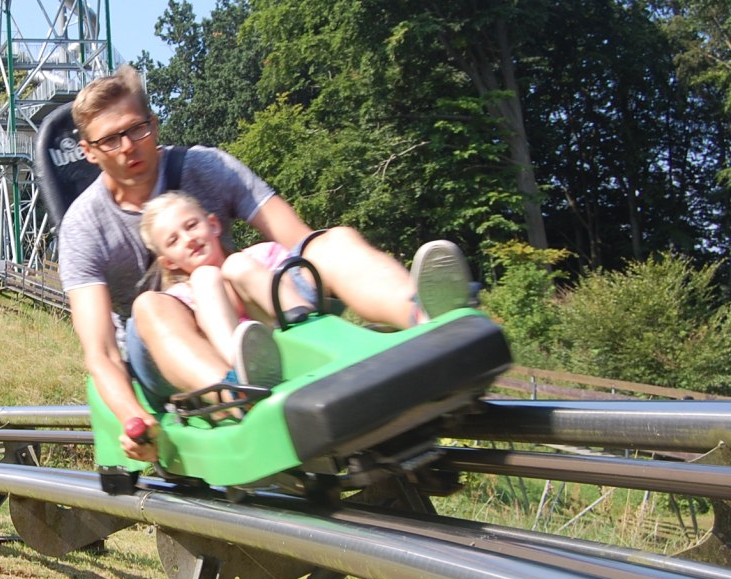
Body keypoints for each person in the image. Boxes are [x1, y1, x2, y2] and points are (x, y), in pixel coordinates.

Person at [57, 65, 472, 463]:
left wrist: (316, 261)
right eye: (111, 140)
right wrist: (134, 420)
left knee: (332, 240)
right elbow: (102, 352)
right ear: (89, 152)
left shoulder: (204, 166)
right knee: (150, 306)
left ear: (154, 123)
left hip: (257, 316)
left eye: (136, 129)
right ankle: (236, 394)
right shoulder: (84, 226)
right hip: (171, 348)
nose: (128, 146)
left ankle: (425, 316)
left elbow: (299, 239)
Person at [137, 190, 304, 392]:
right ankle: (242, 372)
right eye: (174, 241)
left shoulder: (261, 256)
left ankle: (308, 328)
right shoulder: (180, 299)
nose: (188, 239)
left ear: (213, 225)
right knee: (205, 278)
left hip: (290, 338)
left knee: (237, 264)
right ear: (169, 262)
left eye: (192, 226)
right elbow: (189, 345)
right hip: (246, 365)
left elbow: (297, 281)